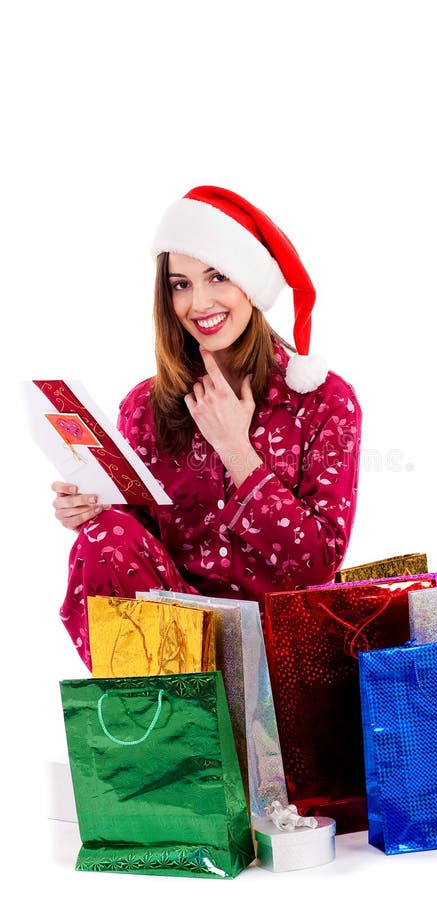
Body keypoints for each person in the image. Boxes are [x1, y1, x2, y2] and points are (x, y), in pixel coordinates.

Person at [52, 186, 362, 669]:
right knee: (104, 536)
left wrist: (236, 449)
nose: (200, 302)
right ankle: (157, 724)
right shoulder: (144, 406)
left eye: (217, 277)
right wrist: (89, 511)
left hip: (286, 653)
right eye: (180, 284)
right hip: (175, 656)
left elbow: (318, 561)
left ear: (250, 283)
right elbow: (133, 544)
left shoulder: (323, 400)